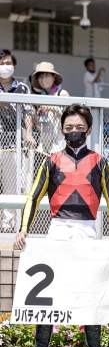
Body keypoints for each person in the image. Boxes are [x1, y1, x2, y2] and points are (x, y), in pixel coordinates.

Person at [14, 103, 109, 347]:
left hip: (88, 232)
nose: (73, 131)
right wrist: (23, 229)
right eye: (68, 128)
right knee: (48, 301)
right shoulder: (51, 160)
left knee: (91, 298)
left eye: (78, 127)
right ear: (62, 130)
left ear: (88, 129)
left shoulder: (100, 162)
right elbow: (33, 196)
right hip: (58, 232)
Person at [0, 49, 35, 232]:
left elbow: (28, 111)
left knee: (11, 187)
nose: (5, 67)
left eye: (8, 63)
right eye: (2, 63)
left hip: (12, 145)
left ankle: (8, 226)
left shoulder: (22, 87)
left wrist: (28, 133)